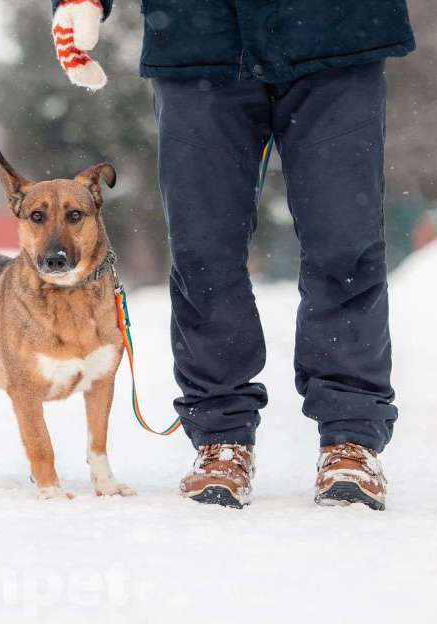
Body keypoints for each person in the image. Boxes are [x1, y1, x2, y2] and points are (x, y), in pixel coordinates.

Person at [49, 0, 415, 510]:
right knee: (204, 250)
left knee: (345, 245)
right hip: (199, 36)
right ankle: (221, 436)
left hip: (338, 32)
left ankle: (351, 437)